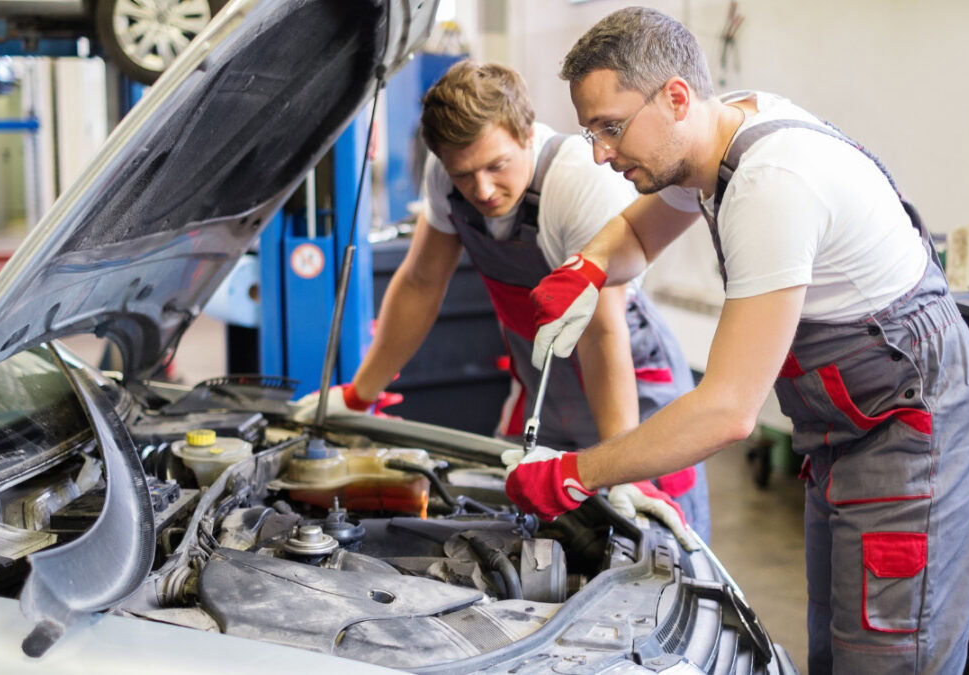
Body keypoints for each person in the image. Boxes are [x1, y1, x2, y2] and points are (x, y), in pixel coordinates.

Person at [504, 6, 969, 673]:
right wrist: (588, 266)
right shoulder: (713, 136)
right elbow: (640, 235)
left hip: (910, 440)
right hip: (848, 434)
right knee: (840, 649)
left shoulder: (769, 184)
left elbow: (727, 409)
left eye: (611, 128)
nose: (601, 153)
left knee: (888, 659)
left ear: (676, 96)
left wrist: (577, 472)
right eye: (591, 132)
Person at [295, 60, 710, 541]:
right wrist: (360, 394)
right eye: (465, 174)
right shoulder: (448, 176)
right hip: (542, 381)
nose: (483, 190)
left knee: (654, 542)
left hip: (629, 383)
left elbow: (601, 332)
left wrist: (623, 463)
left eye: (497, 166)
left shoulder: (576, 184)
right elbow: (421, 283)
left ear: (526, 134)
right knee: (510, 525)